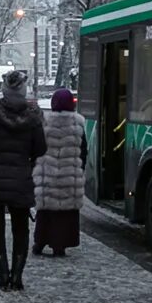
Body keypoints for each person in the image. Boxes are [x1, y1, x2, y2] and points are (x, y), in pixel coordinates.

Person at [0, 70, 47, 291]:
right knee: (20, 229)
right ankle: (17, 277)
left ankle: (2, 275)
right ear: (24, 90)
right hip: (20, 180)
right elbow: (40, 148)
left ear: (4, 89)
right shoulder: (33, 117)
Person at [32, 88, 87, 257]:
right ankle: (60, 245)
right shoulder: (77, 124)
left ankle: (40, 243)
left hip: (47, 175)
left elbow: (36, 149)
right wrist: (78, 169)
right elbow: (83, 150)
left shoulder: (45, 123)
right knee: (65, 214)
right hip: (69, 177)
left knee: (45, 212)